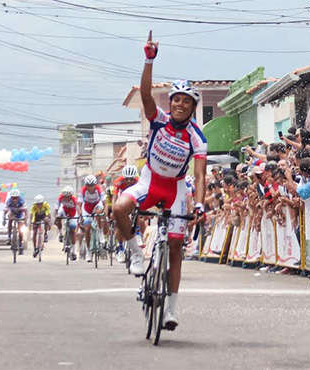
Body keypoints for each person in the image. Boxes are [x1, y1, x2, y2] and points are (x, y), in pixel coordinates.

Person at [113, 31, 207, 330]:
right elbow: (144, 95)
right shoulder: (159, 120)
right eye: (176, 100)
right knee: (118, 209)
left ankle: (171, 309)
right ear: (171, 103)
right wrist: (148, 60)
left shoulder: (197, 138)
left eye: (186, 102)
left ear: (192, 108)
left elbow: (201, 175)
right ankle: (136, 254)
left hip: (176, 189)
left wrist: (201, 204)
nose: (180, 105)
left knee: (176, 248)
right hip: (149, 181)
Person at [77, 175, 107, 263]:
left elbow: (105, 204)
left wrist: (104, 213)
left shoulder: (99, 190)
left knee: (99, 213)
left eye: (92, 185)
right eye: (88, 186)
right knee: (87, 229)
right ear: (86, 185)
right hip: (87, 208)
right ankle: (88, 251)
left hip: (97, 205)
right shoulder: (82, 191)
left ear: (95, 185)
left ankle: (100, 232)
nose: (90, 188)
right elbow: (78, 205)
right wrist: (80, 215)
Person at [112, 165, 139, 263]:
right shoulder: (118, 181)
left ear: (134, 178)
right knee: (120, 225)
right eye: (126, 179)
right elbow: (114, 197)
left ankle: (138, 233)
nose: (129, 181)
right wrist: (114, 210)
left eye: (131, 179)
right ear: (123, 177)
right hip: (123, 196)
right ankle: (120, 248)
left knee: (139, 213)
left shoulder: (139, 181)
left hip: (134, 197)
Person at [54, 186, 78, 261]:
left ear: (71, 196)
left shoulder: (75, 200)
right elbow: (56, 209)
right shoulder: (60, 198)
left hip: (73, 212)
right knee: (58, 216)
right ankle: (60, 233)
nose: (66, 199)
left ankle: (73, 252)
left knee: (73, 230)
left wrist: (80, 218)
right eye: (65, 197)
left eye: (68, 197)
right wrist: (56, 217)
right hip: (63, 210)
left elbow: (78, 210)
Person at [3, 189, 28, 254]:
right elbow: (5, 211)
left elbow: (25, 212)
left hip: (20, 214)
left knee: (20, 229)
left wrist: (25, 220)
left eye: (16, 198)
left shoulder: (22, 201)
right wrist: (4, 219)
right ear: (11, 197)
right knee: (10, 219)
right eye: (13, 198)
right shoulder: (8, 201)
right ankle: (9, 237)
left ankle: (20, 245)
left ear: (18, 197)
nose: (14, 199)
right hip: (12, 213)